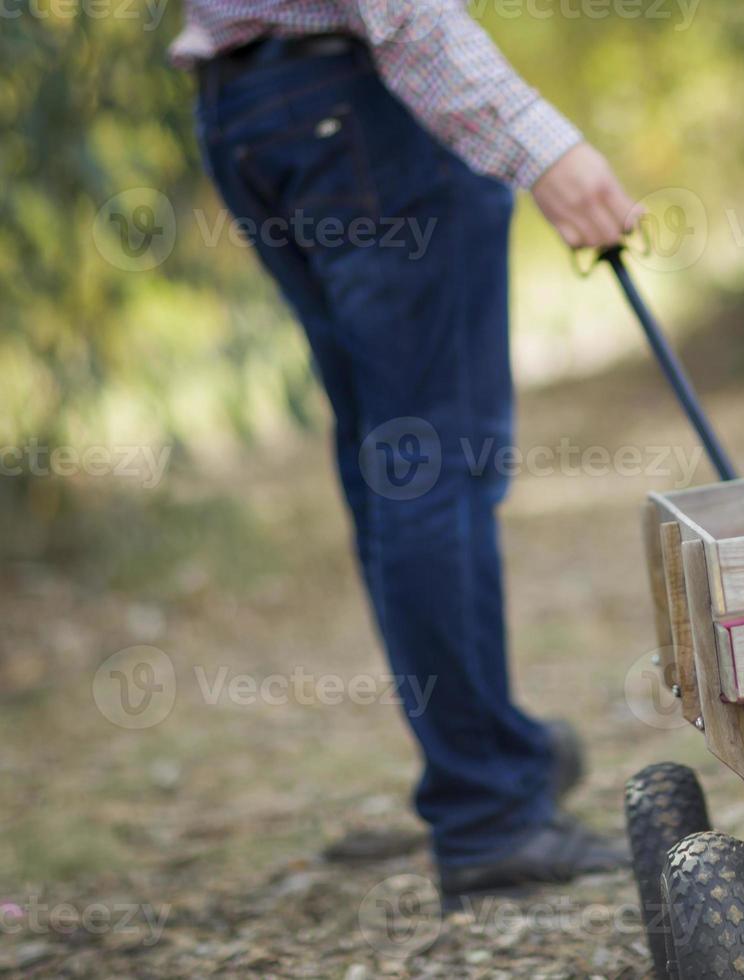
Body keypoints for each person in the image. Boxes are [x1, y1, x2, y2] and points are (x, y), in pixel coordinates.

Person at [172, 2, 642, 902]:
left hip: (246, 107)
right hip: (360, 102)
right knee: (433, 466)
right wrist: (543, 146)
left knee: (390, 468)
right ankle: (490, 810)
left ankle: (493, 759)